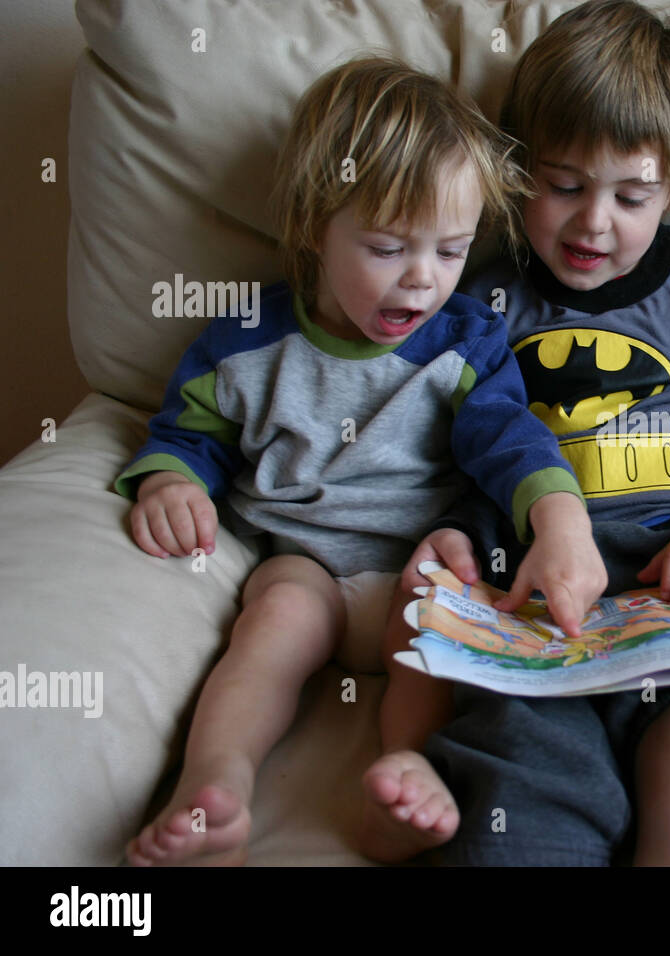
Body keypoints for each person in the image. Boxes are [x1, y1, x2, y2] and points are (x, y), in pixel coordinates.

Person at [114, 56, 606, 866]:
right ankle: (215, 786)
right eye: (386, 247)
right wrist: (169, 478)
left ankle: (405, 767)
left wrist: (558, 517)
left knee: (433, 627)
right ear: (314, 226)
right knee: (272, 627)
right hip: (299, 559)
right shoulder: (246, 340)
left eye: (450, 251)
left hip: (416, 564)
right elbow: (188, 433)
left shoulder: (465, 340)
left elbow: (511, 439)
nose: (422, 280)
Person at [396, 0, 670, 865]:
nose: (595, 222)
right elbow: (451, 456)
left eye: (632, 195)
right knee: (521, 789)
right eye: (562, 187)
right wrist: (448, 538)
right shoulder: (481, 298)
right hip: (541, 614)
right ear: (516, 172)